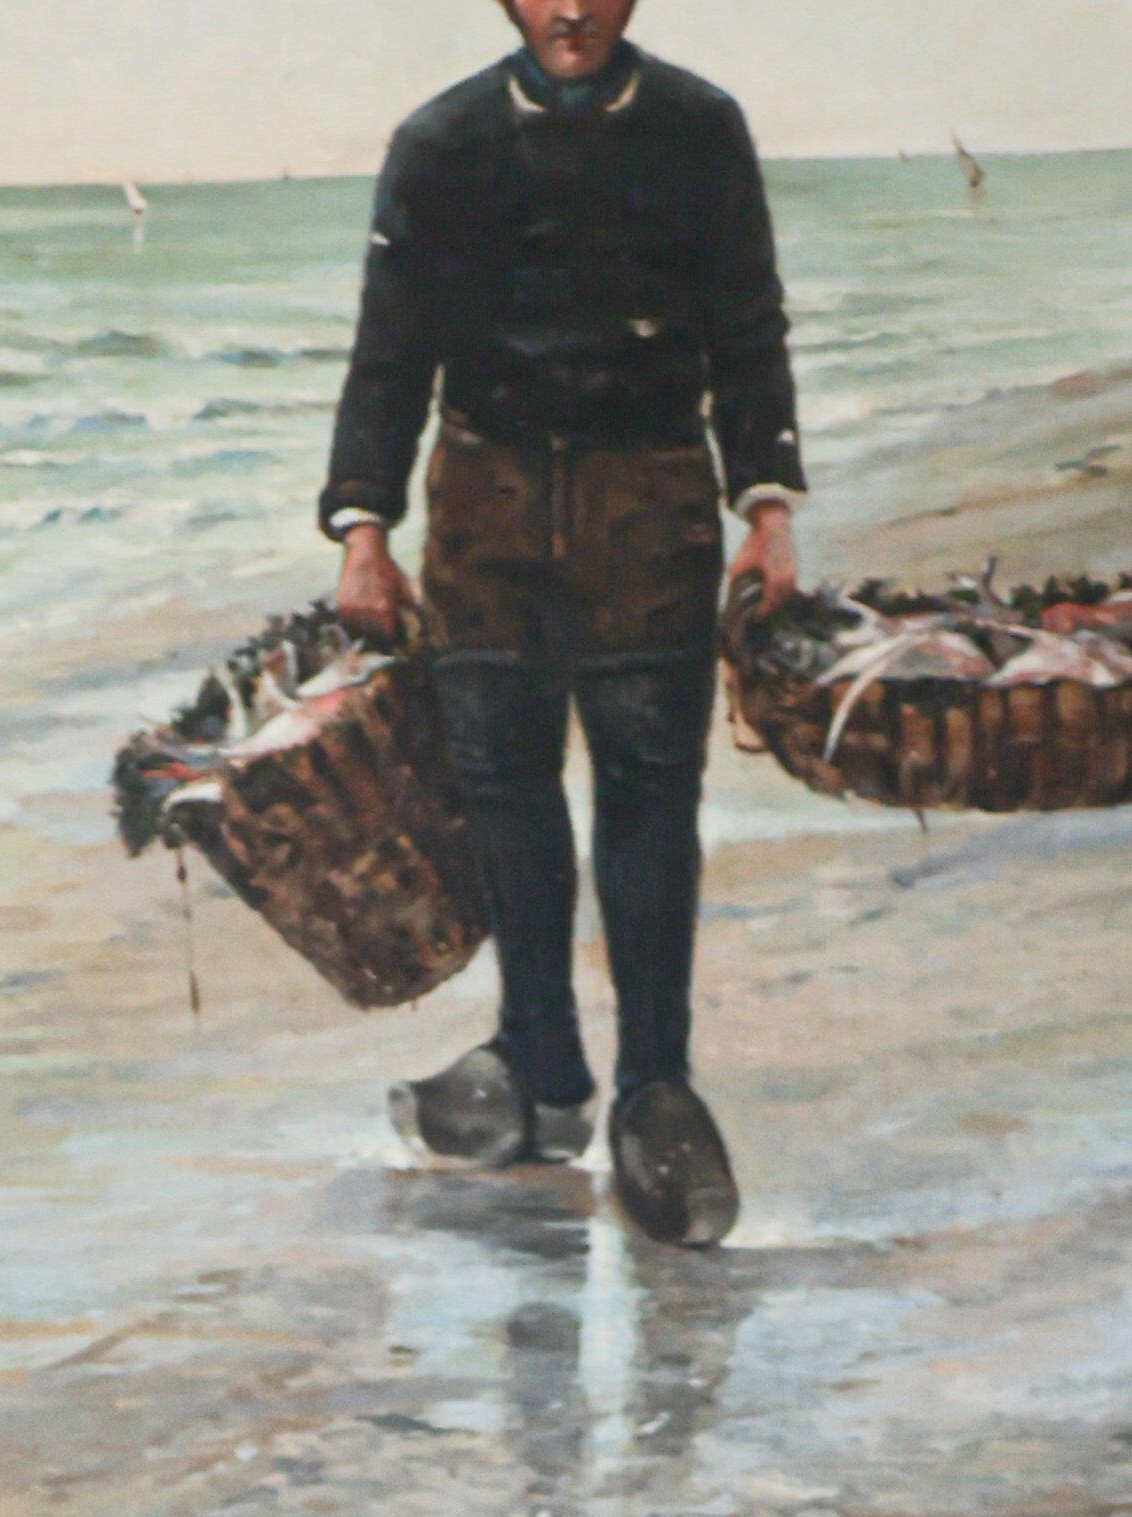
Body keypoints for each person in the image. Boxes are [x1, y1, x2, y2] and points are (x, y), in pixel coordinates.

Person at [317, 0, 803, 1249]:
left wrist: (767, 507)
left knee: (649, 793)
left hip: (651, 506)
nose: (570, 9)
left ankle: (654, 1083)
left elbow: (750, 326)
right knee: (502, 790)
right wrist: (363, 528)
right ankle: (540, 1064)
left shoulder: (700, 129)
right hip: (481, 512)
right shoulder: (440, 143)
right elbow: (389, 348)